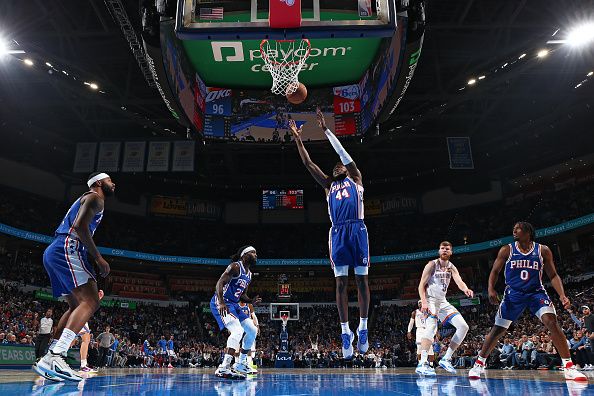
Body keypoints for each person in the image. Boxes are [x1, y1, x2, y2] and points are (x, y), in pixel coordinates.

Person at [289, 109, 370, 359]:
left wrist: (325, 130)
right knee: (341, 283)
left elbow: (343, 155)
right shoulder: (328, 186)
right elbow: (308, 163)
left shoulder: (356, 178)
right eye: (334, 168)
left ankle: (363, 327)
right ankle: (345, 332)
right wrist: (298, 139)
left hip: (357, 228)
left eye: (339, 166)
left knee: (362, 281)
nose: (336, 167)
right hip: (337, 233)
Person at [468, 222, 587, 381]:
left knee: (551, 321)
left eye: (518, 228)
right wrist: (490, 289)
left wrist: (562, 295)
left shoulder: (542, 250)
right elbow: (495, 271)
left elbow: (553, 275)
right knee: (498, 329)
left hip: (535, 293)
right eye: (514, 228)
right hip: (513, 294)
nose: (514, 230)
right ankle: (478, 363)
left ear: (528, 232)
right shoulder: (507, 250)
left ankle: (568, 367)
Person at [33, 172, 114, 382]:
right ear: (98, 183)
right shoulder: (96, 198)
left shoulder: (85, 198)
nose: (113, 184)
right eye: (109, 180)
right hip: (68, 248)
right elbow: (79, 226)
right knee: (91, 300)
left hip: (54, 250)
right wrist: (98, 258)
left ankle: (50, 357)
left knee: (75, 305)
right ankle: (56, 355)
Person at [417, 241, 472, 375]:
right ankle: (422, 363)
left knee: (464, 327)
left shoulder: (452, 267)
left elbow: (459, 280)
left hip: (443, 302)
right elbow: (421, 285)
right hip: (430, 300)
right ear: (439, 251)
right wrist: (424, 302)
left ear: (451, 252)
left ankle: (446, 359)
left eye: (447, 249)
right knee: (431, 327)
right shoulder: (432, 264)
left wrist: (466, 289)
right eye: (442, 248)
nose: (444, 250)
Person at [210, 246, 261, 379]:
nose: (256, 255)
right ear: (244, 255)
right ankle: (224, 367)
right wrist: (221, 302)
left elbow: (242, 295)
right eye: (253, 252)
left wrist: (251, 300)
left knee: (252, 330)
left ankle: (240, 363)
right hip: (222, 301)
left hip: (234, 303)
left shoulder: (249, 274)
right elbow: (220, 283)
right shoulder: (235, 267)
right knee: (237, 331)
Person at [78, 289, 104, 372]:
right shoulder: (84, 289)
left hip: (81, 314)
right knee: (84, 339)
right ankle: (51, 357)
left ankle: (83, 365)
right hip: (80, 314)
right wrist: (98, 298)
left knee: (84, 339)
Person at [407, 301, 434, 367]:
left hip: (428, 330)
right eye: (419, 302)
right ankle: (420, 363)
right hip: (419, 330)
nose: (420, 303)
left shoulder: (429, 311)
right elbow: (411, 323)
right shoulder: (415, 312)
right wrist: (409, 331)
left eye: (421, 302)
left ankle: (431, 365)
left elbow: (433, 322)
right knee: (419, 348)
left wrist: (435, 331)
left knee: (430, 348)